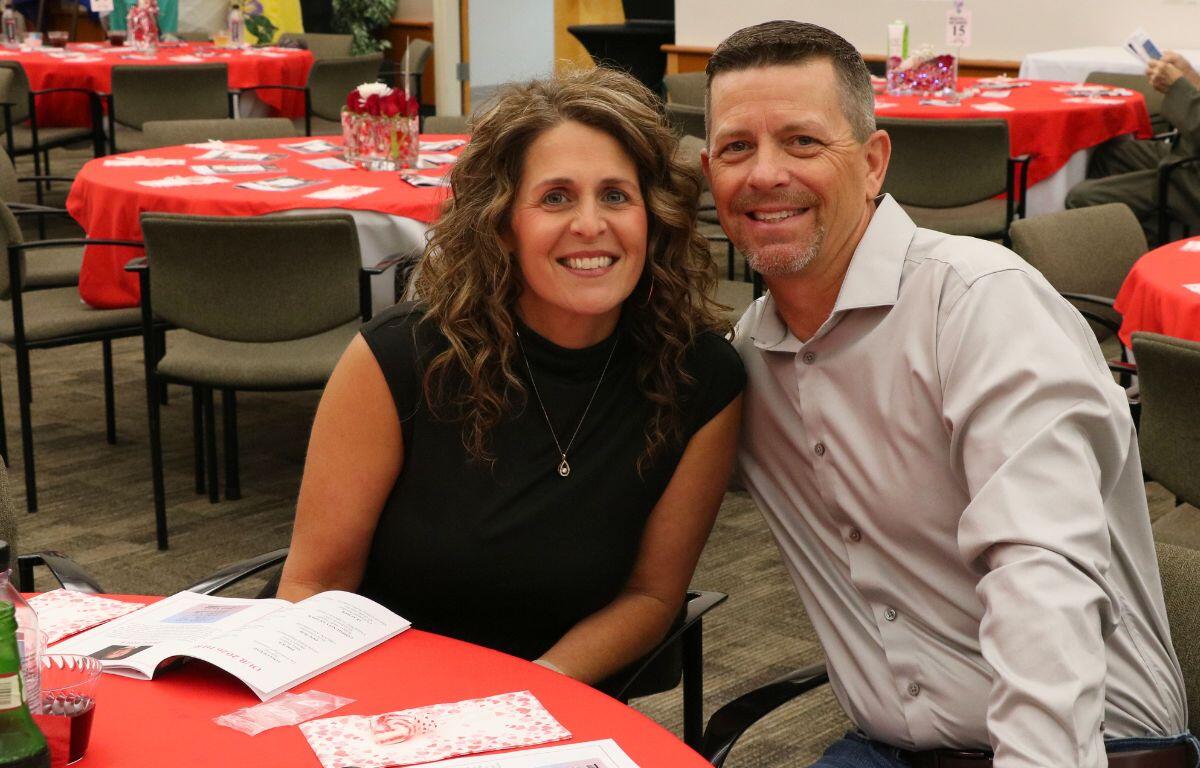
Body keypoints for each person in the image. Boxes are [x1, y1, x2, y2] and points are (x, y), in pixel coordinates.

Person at [702, 20, 1191, 768]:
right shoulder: (746, 361)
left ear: (872, 164)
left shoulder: (979, 307)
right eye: (738, 147)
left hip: (1090, 746)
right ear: (708, 173)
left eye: (802, 142)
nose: (765, 173)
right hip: (886, 746)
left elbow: (1043, 581)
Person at [275, 66, 744, 687]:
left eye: (615, 195)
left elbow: (650, 598)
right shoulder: (403, 358)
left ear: (652, 218)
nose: (589, 224)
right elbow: (313, 584)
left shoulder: (699, 378)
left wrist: (529, 696)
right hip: (369, 688)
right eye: (555, 197)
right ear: (502, 225)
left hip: (556, 703)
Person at [1065, 51, 1200, 244]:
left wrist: (1178, 88)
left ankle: (1136, 256)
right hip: (1189, 153)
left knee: (1082, 197)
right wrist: (1192, 78)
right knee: (1110, 155)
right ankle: (1143, 235)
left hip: (1193, 178)